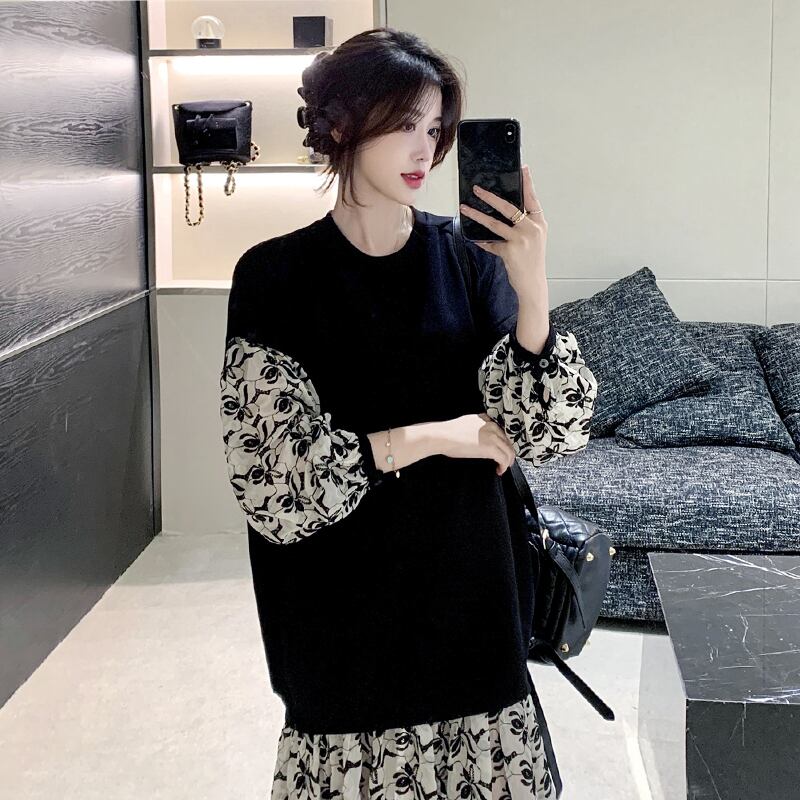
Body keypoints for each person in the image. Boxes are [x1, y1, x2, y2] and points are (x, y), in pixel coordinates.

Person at [220, 26, 598, 800]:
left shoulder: (467, 260)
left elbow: (544, 431)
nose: (425, 148)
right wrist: (432, 436)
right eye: (404, 124)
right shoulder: (274, 277)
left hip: (471, 592)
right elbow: (277, 482)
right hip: (338, 606)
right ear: (342, 124)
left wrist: (532, 291)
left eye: (435, 128)